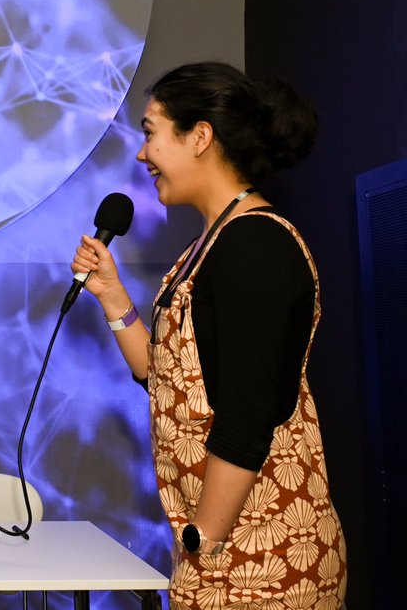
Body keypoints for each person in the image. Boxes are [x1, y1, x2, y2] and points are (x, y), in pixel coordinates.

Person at [70, 62, 346, 609]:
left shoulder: (254, 246)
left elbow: (245, 419)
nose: (141, 153)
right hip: (222, 559)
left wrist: (203, 541)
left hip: (263, 571)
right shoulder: (213, 242)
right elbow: (166, 379)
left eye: (151, 132)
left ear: (200, 137)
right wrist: (112, 296)